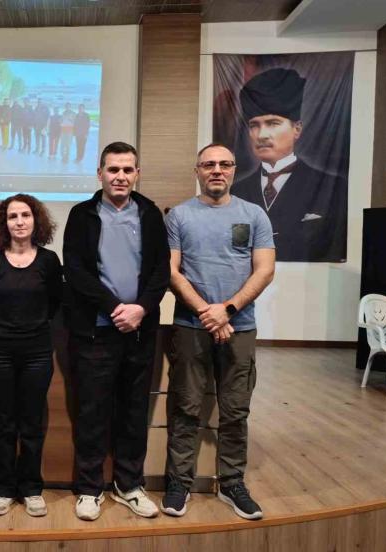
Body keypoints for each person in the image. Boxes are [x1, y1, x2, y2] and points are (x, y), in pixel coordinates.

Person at [163, 143, 275, 520]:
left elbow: (264, 270)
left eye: (224, 164)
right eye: (208, 164)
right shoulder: (179, 216)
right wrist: (206, 312)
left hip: (239, 327)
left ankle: (232, 483)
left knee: (235, 410)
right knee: (185, 407)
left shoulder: (254, 214)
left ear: (234, 170)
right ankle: (179, 482)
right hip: (190, 327)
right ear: (197, 170)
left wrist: (226, 310)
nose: (216, 170)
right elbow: (171, 271)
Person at [63, 141, 170, 521]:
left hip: (139, 331)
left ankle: (129, 486)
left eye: (127, 170)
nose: (120, 176)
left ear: (137, 174)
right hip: (95, 332)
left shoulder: (151, 214)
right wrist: (114, 308)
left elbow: (161, 270)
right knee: (92, 412)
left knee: (133, 411)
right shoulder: (82, 215)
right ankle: (89, 489)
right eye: (113, 169)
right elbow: (75, 270)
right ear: (100, 174)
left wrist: (140, 308)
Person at [0, 194, 63, 518]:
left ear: (35, 220)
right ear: (4, 223)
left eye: (25, 215)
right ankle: (3, 487)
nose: (19, 221)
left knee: (31, 422)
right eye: (12, 216)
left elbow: (54, 303)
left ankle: (31, 487)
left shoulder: (49, 261)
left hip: (37, 352)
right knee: (4, 421)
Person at [230, 67, 347, 262]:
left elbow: (337, 250)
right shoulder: (237, 191)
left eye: (273, 123)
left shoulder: (333, 188)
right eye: (254, 125)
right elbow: (237, 249)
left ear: (297, 129)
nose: (262, 135)